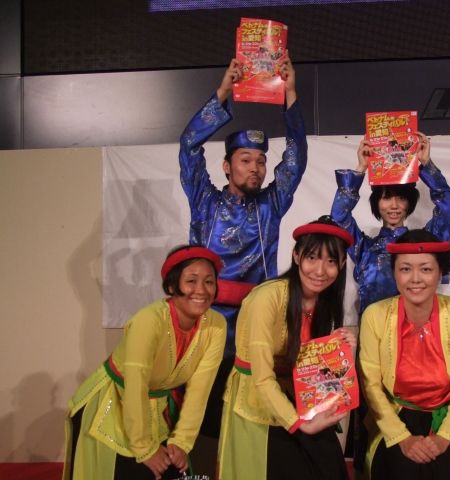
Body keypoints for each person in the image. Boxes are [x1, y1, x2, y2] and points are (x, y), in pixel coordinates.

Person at [179, 55, 307, 437]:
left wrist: (290, 94)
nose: (255, 168)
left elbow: (295, 161)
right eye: (245, 160)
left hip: (256, 328)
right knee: (201, 420)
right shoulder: (205, 201)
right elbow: (189, 147)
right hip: (206, 323)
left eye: (261, 161)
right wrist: (222, 93)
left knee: (251, 421)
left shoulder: (271, 205)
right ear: (227, 167)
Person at [63, 245, 226, 480]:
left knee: (175, 470)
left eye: (209, 282)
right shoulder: (148, 320)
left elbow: (200, 390)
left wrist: (182, 442)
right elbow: (135, 386)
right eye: (191, 280)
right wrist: (144, 449)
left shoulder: (217, 325)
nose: (201, 289)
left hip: (156, 413)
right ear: (172, 286)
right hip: (112, 406)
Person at [217, 217, 357, 480]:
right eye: (312, 257)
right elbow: (261, 377)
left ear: (340, 265)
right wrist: (298, 422)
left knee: (330, 463)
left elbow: (313, 369)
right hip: (258, 398)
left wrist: (339, 349)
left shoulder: (325, 302)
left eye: (331, 261)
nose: (320, 270)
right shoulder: (267, 297)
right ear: (296, 255)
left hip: (298, 395)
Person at [359, 229, 450, 479]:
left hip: (447, 418)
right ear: (394, 273)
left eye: (425, 269)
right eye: (405, 269)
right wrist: (401, 438)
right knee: (399, 467)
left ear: (440, 272)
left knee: (447, 466)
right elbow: (371, 384)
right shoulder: (375, 314)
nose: (415, 279)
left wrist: (444, 436)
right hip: (395, 415)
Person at [331, 135, 450, 316]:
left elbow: (449, 208)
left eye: (401, 198)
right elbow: (338, 218)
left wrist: (427, 164)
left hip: (417, 329)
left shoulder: (424, 244)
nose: (394, 205)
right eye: (386, 198)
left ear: (409, 203)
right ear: (377, 202)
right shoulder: (364, 249)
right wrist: (361, 168)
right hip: (373, 331)